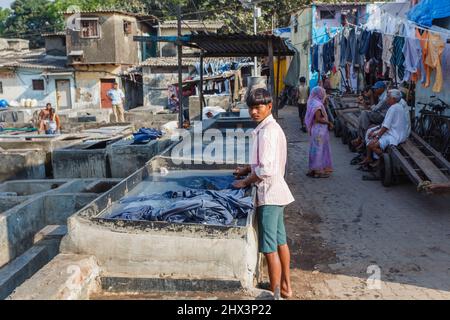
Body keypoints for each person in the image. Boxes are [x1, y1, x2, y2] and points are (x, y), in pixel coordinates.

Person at [232, 88, 294, 299]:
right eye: (251, 107)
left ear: (269, 107)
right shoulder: (271, 128)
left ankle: (275, 292)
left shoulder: (267, 132)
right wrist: (247, 168)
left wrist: (245, 181)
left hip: (268, 195)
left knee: (269, 248)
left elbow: (266, 169)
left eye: (258, 107)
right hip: (278, 192)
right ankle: (285, 286)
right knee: (280, 241)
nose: (254, 112)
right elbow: (266, 163)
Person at [361, 89, 410, 166]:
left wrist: (377, 136)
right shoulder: (399, 107)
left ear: (393, 99)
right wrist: (376, 131)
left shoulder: (393, 108)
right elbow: (387, 124)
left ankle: (381, 158)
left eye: (388, 97)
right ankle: (369, 157)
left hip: (395, 136)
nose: (386, 98)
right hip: (400, 134)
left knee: (371, 144)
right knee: (371, 133)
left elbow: (386, 127)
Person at [305, 86, 334, 178]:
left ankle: (313, 169)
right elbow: (318, 119)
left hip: (316, 130)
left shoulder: (312, 102)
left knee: (314, 150)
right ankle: (318, 171)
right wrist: (328, 123)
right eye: (323, 93)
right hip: (319, 131)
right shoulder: (317, 105)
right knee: (318, 151)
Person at [351, 81, 389, 149]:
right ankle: (360, 138)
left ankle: (361, 139)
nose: (375, 90)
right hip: (379, 114)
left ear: (381, 89)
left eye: (376, 89)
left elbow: (375, 108)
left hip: (382, 116)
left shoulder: (385, 97)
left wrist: (371, 97)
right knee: (361, 117)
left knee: (364, 113)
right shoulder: (381, 95)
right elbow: (374, 107)